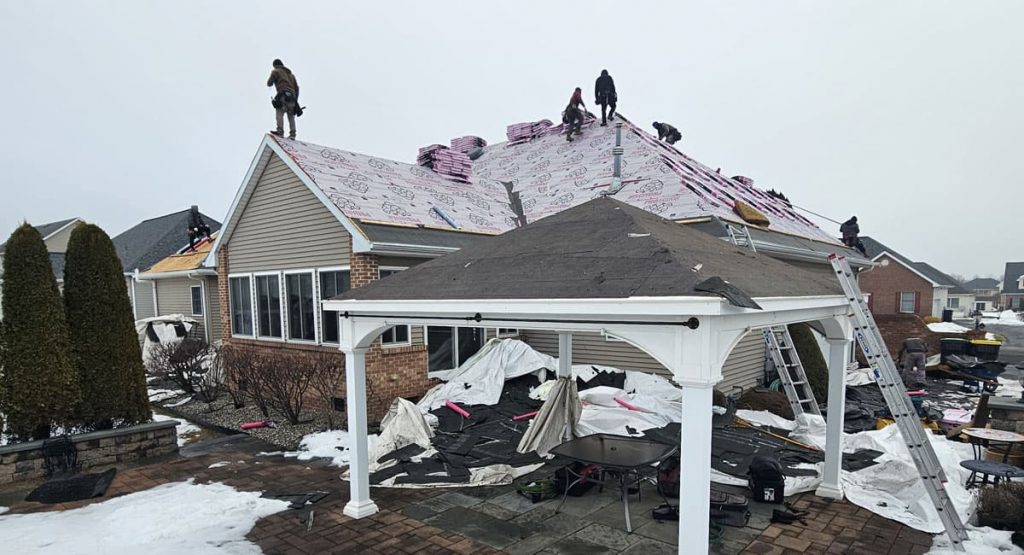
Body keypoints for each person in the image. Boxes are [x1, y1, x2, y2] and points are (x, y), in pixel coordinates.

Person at [267, 59, 299, 139]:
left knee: (279, 111)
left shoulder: (276, 71)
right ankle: (293, 134)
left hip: (282, 94)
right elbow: (297, 88)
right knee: (291, 115)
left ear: (275, 65)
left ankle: (280, 132)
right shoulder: (291, 75)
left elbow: (269, 83)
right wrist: (295, 99)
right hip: (292, 97)